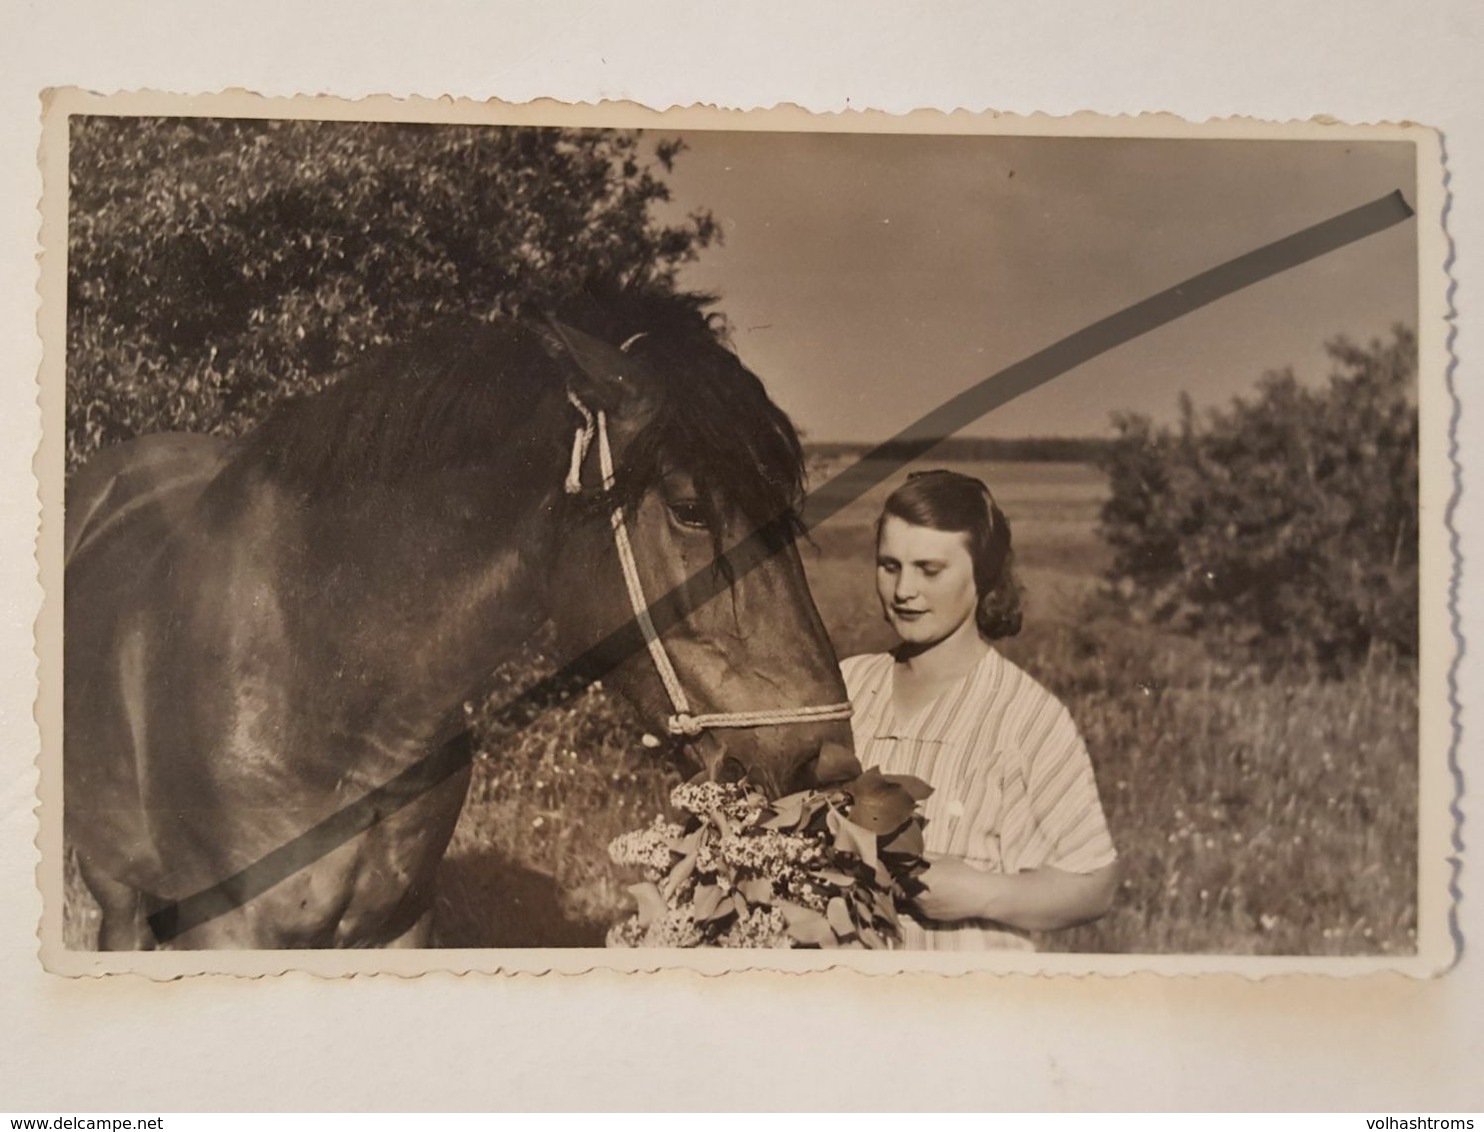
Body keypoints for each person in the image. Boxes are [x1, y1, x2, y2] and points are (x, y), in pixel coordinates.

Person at [840, 470, 1118, 950]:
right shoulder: (845, 685)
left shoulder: (1027, 716)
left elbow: (1095, 883)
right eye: (889, 566)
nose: (903, 590)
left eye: (930, 570)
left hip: (971, 1004)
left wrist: (983, 894)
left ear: (983, 574)